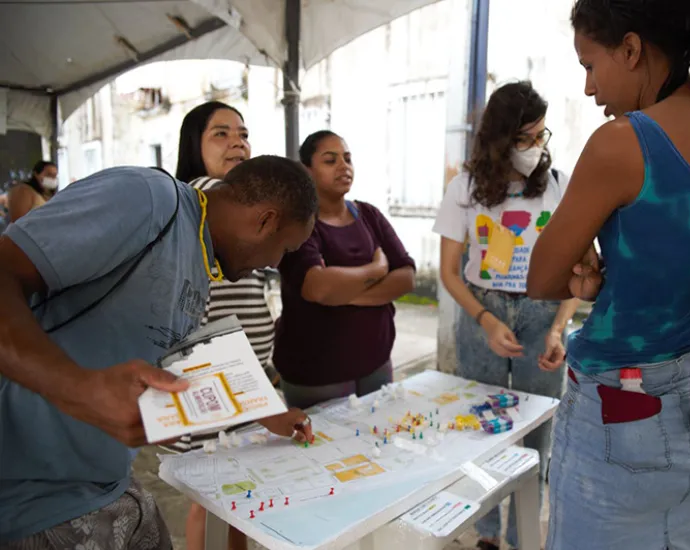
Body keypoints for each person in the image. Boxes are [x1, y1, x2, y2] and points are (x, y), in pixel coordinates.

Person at [526, 1, 690, 548]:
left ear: (631, 49)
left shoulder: (625, 143)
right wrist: (611, 269)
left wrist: (586, 270)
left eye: (590, 66)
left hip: (619, 421)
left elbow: (542, 278)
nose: (589, 88)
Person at [0, 156, 318, 548]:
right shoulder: (147, 199)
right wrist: (79, 389)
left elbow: (170, 361)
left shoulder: (199, 256)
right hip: (31, 498)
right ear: (265, 221)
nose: (274, 263)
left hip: (105, 482)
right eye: (285, 248)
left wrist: (261, 409)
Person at [433, 81, 579, 550]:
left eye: (541, 136)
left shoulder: (559, 186)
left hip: (542, 311)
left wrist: (559, 328)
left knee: (538, 430)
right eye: (525, 139)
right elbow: (450, 273)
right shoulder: (466, 187)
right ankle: (489, 535)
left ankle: (524, 536)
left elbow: (582, 268)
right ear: (500, 139)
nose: (537, 148)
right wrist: (484, 319)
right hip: (485, 309)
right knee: (482, 431)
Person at [167, 101, 283, 550]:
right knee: (211, 497)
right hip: (211, 372)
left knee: (233, 491)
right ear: (193, 147)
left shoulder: (236, 203)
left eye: (243, 133)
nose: (238, 140)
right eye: (221, 133)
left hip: (239, 373)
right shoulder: (205, 195)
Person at [274, 130, 416, 408]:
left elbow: (407, 277)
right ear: (307, 170)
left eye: (347, 158)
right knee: (325, 450)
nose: (344, 166)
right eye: (330, 160)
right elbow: (318, 287)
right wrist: (376, 269)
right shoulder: (297, 225)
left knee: (377, 444)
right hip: (317, 374)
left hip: (376, 363)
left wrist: (345, 294)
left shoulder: (369, 215)